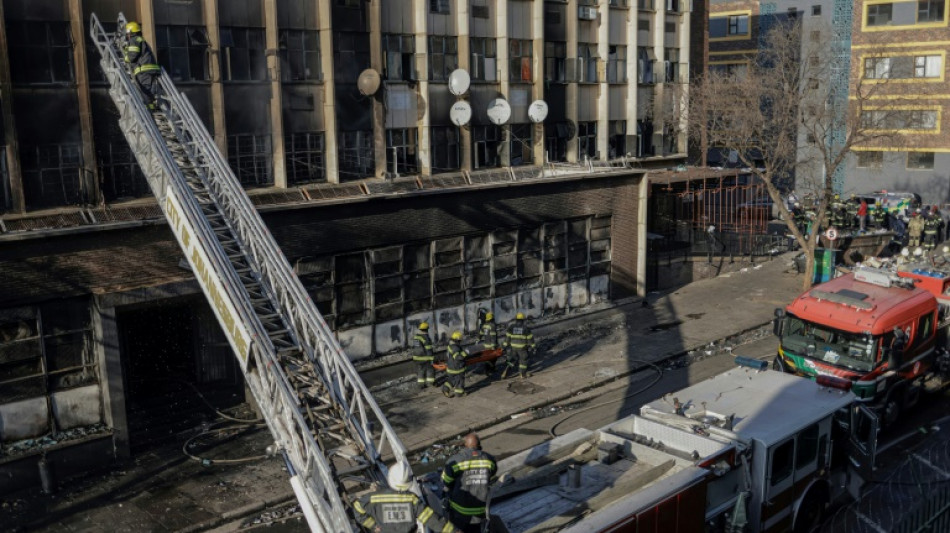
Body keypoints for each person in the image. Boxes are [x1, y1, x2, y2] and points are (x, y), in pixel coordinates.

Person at [353, 461, 456, 533]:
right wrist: (452, 531)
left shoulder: (374, 498)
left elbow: (357, 508)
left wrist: (373, 526)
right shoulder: (412, 500)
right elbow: (430, 518)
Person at [442, 433, 497, 533]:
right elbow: (491, 476)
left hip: (459, 512)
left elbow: (446, 482)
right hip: (480, 511)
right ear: (479, 446)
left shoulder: (455, 461)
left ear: (465, 445)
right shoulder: (490, 460)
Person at [122, 21, 163, 110]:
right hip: (151, 69)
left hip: (143, 70)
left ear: (131, 32)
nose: (127, 35)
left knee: (144, 88)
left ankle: (148, 108)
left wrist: (126, 58)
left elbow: (133, 55)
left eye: (128, 33)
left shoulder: (134, 40)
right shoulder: (141, 39)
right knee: (149, 90)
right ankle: (151, 106)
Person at [502, 312, 535, 379]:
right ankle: (522, 374)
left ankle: (505, 371)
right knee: (523, 361)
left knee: (512, 360)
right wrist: (533, 347)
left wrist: (504, 346)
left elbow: (507, 338)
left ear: (516, 319)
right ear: (523, 320)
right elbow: (530, 339)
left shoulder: (511, 327)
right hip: (522, 348)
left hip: (513, 347)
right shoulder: (526, 328)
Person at [443, 331, 468, 398]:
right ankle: (459, 393)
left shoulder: (450, 346)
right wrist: (465, 353)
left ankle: (445, 389)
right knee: (460, 381)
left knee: (451, 380)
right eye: (459, 341)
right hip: (457, 368)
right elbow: (458, 358)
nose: (460, 342)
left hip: (451, 368)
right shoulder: (455, 348)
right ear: (457, 340)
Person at [412, 322, 435, 390]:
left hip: (416, 358)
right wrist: (432, 358)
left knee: (420, 371)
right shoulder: (425, 338)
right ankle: (430, 384)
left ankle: (420, 385)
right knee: (430, 370)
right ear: (427, 329)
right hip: (425, 358)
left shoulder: (416, 337)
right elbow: (428, 349)